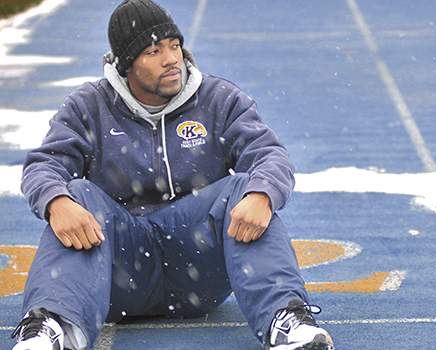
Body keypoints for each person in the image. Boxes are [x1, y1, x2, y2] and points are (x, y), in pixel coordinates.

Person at [10, 1, 334, 349]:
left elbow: (270, 155)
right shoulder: (89, 105)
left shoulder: (218, 99)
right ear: (126, 64)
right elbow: (44, 166)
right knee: (75, 194)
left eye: (174, 46)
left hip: (198, 271)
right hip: (117, 272)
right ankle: (53, 330)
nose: (171, 59)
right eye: (153, 51)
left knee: (245, 188)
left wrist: (262, 194)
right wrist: (56, 201)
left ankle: (287, 321)